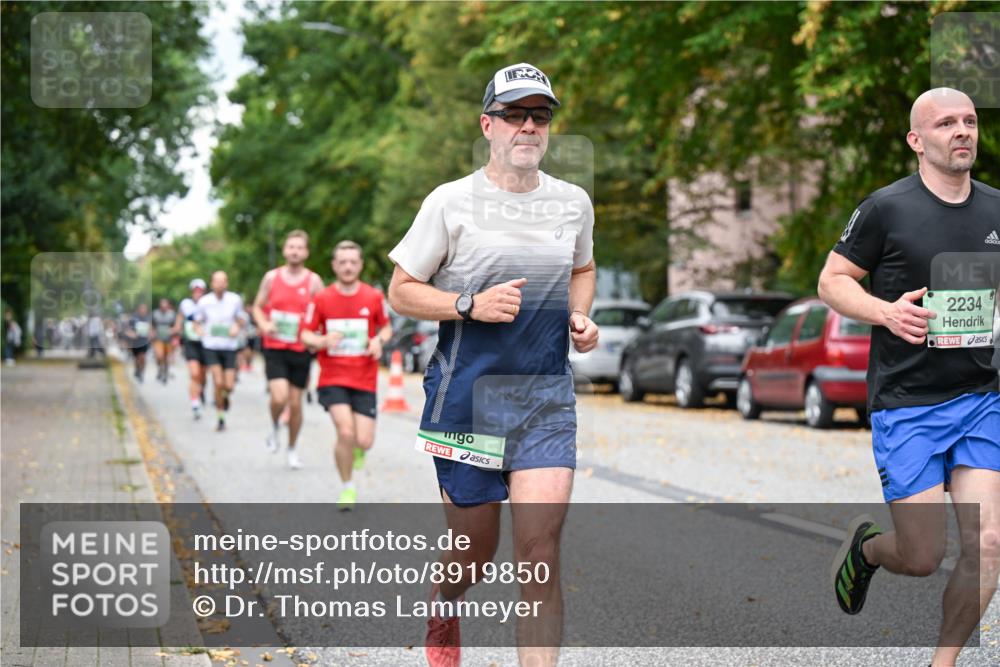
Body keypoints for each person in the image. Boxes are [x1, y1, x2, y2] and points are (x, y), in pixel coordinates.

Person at [386, 63, 598, 667]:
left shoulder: (572, 203)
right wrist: (467, 304)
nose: (529, 126)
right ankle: (445, 600)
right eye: (515, 114)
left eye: (540, 115)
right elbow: (401, 291)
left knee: (539, 549)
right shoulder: (450, 202)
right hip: (466, 397)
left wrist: (580, 316)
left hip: (545, 398)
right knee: (473, 553)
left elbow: (582, 269)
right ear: (488, 125)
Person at [818, 88, 999, 666]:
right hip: (908, 401)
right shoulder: (886, 208)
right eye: (946, 123)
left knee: (989, 543)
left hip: (983, 398)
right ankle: (868, 550)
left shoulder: (998, 209)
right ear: (917, 141)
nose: (962, 131)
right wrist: (885, 311)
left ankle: (941, 662)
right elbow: (833, 280)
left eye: (969, 121)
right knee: (922, 555)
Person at [300, 240, 391, 506]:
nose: (348, 266)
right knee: (345, 432)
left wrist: (378, 342)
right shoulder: (322, 298)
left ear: (360, 265)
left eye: (353, 261)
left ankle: (359, 450)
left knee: (364, 440)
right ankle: (347, 487)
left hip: (365, 378)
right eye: (343, 262)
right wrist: (321, 341)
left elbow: (386, 328)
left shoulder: (373, 297)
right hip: (333, 377)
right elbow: (305, 333)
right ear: (334, 265)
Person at [253, 230, 324, 469]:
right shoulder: (271, 278)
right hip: (274, 346)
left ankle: (292, 448)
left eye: (299, 247)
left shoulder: (313, 281)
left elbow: (323, 312)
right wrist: (263, 324)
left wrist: (318, 336)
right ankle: (274, 425)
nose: (294, 251)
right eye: (290, 246)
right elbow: (257, 307)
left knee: (295, 404)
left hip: (300, 348)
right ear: (285, 250)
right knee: (279, 397)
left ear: (306, 252)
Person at [195, 271, 247, 432]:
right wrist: (199, 331)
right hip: (211, 346)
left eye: (223, 281)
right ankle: (220, 418)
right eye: (216, 281)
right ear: (212, 283)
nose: (219, 284)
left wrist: (236, 327)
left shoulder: (235, 300)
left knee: (229, 386)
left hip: (229, 347)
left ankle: (225, 397)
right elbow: (196, 321)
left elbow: (241, 319)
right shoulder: (204, 301)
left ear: (227, 283)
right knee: (218, 382)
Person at [175, 279, 208, 420]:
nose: (198, 293)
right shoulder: (185, 304)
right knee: (194, 374)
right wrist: (176, 332)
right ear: (192, 291)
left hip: (206, 343)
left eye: (200, 290)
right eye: (195, 290)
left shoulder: (208, 303)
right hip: (191, 342)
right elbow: (179, 318)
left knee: (203, 375)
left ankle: (201, 390)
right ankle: (195, 404)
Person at [151, 298, 176, 384]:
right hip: (158, 338)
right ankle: (160, 368)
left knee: (167, 358)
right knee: (159, 356)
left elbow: (176, 325)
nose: (164, 307)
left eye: (165, 305)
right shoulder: (155, 314)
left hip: (168, 339)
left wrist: (173, 332)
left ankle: (165, 372)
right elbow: (152, 325)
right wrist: (152, 333)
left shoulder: (172, 314)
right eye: (162, 305)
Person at [126, 303, 152, 382]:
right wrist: (132, 334)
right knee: (137, 358)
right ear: (138, 309)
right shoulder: (134, 319)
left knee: (143, 357)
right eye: (141, 308)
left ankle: (142, 373)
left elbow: (151, 330)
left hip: (145, 341)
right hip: (136, 342)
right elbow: (127, 330)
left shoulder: (148, 318)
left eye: (144, 308)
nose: (143, 310)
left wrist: (150, 335)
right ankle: (137, 369)